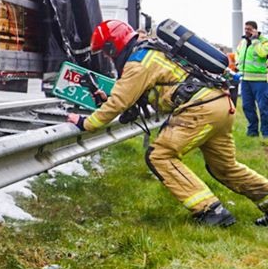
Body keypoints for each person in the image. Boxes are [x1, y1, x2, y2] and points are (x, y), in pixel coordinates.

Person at [68, 19, 268, 227]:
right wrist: (106, 98)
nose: (108, 57)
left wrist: (85, 123)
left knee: (159, 155)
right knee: (224, 168)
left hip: (200, 109)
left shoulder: (138, 62)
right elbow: (129, 97)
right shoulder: (151, 51)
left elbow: (120, 102)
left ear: (113, 44)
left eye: (106, 51)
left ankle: (211, 211)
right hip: (220, 105)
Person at [235, 21, 268, 136]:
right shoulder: (243, 41)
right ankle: (252, 131)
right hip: (245, 80)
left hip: (260, 81)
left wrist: (255, 40)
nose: (246, 31)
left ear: (255, 30)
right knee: (247, 106)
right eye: (245, 28)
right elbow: (238, 53)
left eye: (249, 29)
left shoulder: (264, 41)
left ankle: (266, 132)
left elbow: (263, 53)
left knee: (264, 107)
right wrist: (238, 65)